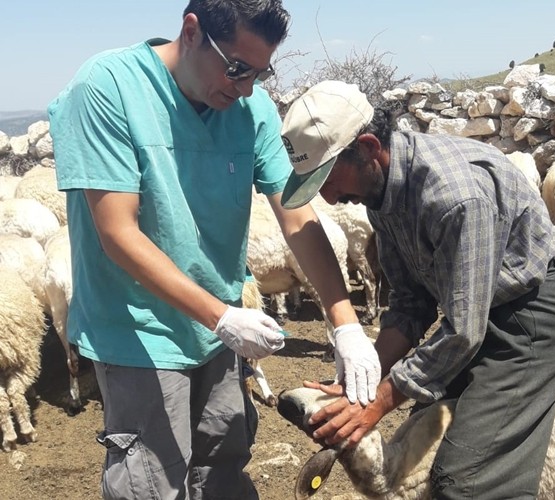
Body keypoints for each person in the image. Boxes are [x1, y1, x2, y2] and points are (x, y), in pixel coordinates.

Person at [47, 3, 379, 498]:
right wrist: (221, 316)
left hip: (220, 334)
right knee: (152, 482)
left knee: (223, 464)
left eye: (259, 72)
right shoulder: (107, 88)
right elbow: (117, 232)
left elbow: (297, 217)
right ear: (192, 31)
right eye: (237, 68)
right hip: (139, 333)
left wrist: (345, 323)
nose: (245, 87)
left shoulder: (251, 108)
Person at [279, 80, 555, 499]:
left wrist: (379, 403)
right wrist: (363, 380)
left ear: (369, 147)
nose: (329, 199)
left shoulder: (454, 198)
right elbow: (410, 301)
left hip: (529, 322)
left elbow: (462, 330)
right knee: (423, 448)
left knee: (465, 480)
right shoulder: (382, 192)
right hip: (475, 317)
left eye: (328, 178)